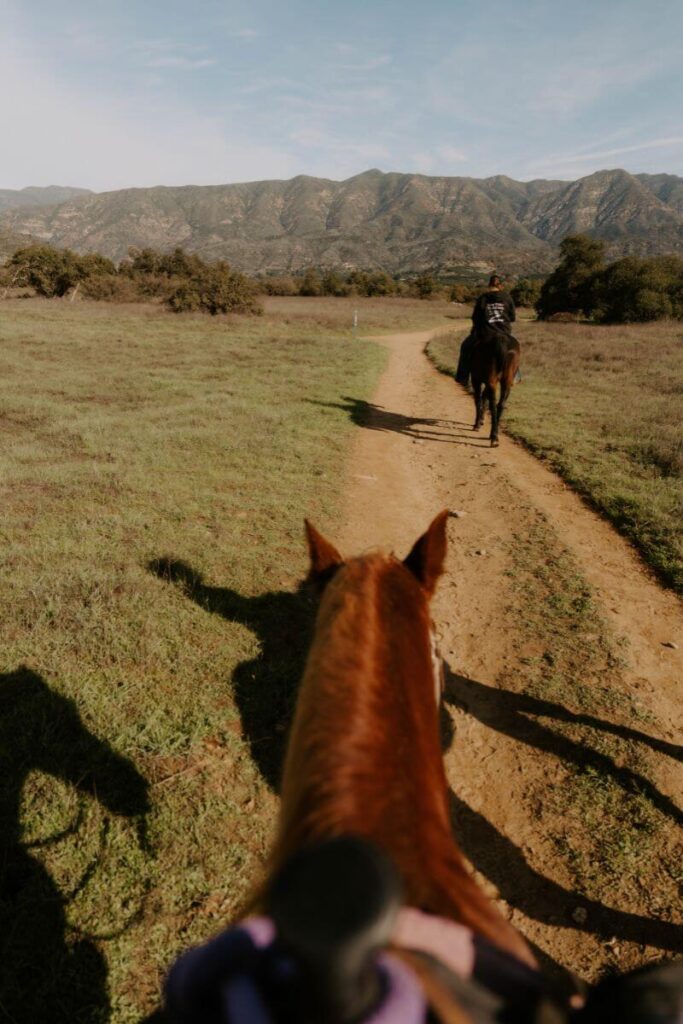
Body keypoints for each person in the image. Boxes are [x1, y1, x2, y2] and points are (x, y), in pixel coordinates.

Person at [455, 274, 517, 386]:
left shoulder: (483, 298)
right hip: (504, 332)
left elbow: (475, 317)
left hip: (486, 333)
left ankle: (463, 377)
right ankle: (515, 376)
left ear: (489, 285)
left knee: (465, 346)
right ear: (501, 286)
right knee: (514, 349)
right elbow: (512, 317)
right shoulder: (508, 297)